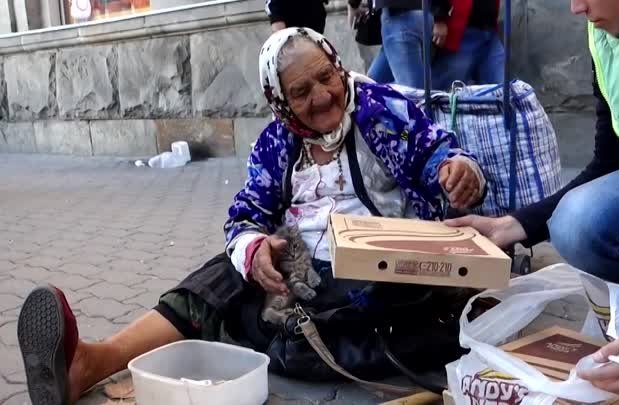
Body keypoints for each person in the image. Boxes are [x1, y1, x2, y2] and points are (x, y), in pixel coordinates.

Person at [17, 27, 486, 405]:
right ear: (280, 102)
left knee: (343, 318)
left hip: (382, 267)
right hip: (302, 269)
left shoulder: (383, 110)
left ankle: (251, 338)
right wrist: (255, 249)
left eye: (326, 77)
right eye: (301, 91)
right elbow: (244, 215)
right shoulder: (275, 144)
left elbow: (438, 156)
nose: (322, 96)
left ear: (339, 66)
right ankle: (92, 362)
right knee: (220, 277)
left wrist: (458, 171)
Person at [447, 0, 619, 398]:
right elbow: (612, 161)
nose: (576, 7)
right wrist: (515, 225)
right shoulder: (616, 39)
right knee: (579, 221)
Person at [366, 0, 451, 87]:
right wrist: (440, 14)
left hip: (398, 15)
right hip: (424, 14)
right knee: (372, 84)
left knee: (413, 94)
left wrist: (354, 4)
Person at [431, 0, 506, 90]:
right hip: (463, 32)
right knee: (447, 91)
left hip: (489, 32)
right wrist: (439, 19)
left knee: (501, 90)